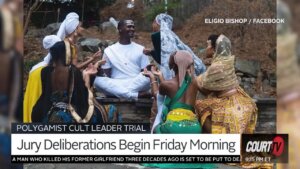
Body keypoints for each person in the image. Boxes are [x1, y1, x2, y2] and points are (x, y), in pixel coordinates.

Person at [24, 12, 102, 122]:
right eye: (79, 26)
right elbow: (74, 70)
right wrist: (89, 71)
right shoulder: (68, 51)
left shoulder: (48, 69)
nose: (82, 28)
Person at [142, 50, 215, 169]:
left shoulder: (167, 85)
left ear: (173, 66)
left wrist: (152, 78)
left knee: (156, 130)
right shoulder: (195, 82)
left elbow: (156, 95)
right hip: (194, 128)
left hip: (174, 127)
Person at [195, 34, 258, 134]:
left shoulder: (217, 66)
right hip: (237, 96)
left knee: (199, 105)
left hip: (228, 100)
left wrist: (192, 78)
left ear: (214, 48)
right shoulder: (227, 61)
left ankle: (218, 138)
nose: (206, 48)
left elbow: (205, 88)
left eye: (207, 45)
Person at [31, 40, 104, 123]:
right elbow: (82, 95)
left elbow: (47, 92)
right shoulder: (72, 71)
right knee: (108, 110)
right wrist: (88, 76)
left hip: (44, 110)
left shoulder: (45, 71)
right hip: (67, 114)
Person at [94, 20, 151, 100]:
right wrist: (99, 70)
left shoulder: (141, 49)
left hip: (136, 83)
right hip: (116, 83)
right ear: (120, 29)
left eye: (133, 27)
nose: (132, 29)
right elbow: (106, 76)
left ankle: (118, 93)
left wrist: (112, 90)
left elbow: (145, 73)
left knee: (148, 78)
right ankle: (134, 95)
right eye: (129, 26)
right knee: (97, 81)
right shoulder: (109, 50)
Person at [144, 13, 206, 80]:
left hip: (169, 75)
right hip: (180, 70)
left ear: (158, 23)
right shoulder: (172, 35)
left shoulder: (156, 36)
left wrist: (151, 52)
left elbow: (161, 59)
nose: (153, 25)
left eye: (154, 22)